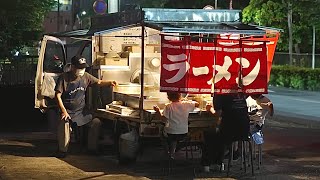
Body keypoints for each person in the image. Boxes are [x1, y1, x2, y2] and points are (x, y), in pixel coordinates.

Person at [54, 55, 117, 158]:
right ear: (72, 67)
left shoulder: (86, 76)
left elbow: (99, 82)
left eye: (83, 68)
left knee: (96, 123)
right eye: (79, 68)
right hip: (67, 111)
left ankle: (92, 149)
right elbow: (57, 95)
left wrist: (109, 83)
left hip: (81, 111)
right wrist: (63, 111)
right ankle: (62, 150)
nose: (81, 70)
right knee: (64, 123)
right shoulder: (64, 78)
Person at [202, 92, 250, 172]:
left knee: (209, 134)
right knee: (219, 136)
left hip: (229, 131)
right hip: (245, 130)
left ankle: (208, 164)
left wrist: (209, 108)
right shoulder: (241, 92)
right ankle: (219, 163)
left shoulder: (219, 94)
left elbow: (218, 114)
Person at [153, 92, 199, 159]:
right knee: (175, 136)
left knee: (162, 132)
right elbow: (197, 104)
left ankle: (168, 153)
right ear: (180, 96)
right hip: (184, 133)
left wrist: (158, 111)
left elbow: (163, 119)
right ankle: (172, 152)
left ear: (168, 98)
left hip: (171, 134)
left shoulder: (168, 106)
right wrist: (187, 101)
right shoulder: (186, 104)